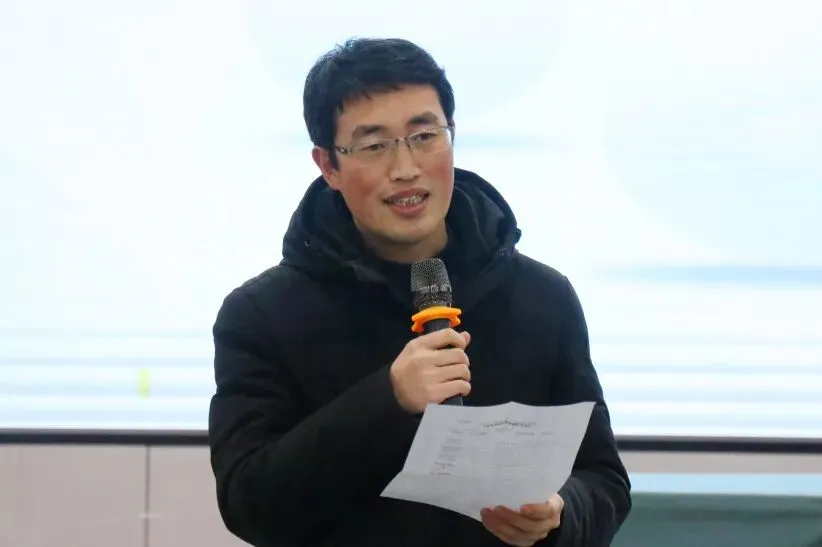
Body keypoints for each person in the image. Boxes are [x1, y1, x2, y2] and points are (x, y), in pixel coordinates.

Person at [208, 37, 631, 547]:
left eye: (425, 136)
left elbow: (604, 481)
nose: (406, 168)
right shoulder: (262, 315)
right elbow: (249, 504)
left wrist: (561, 513)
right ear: (328, 165)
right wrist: (386, 400)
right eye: (374, 145)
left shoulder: (543, 297)